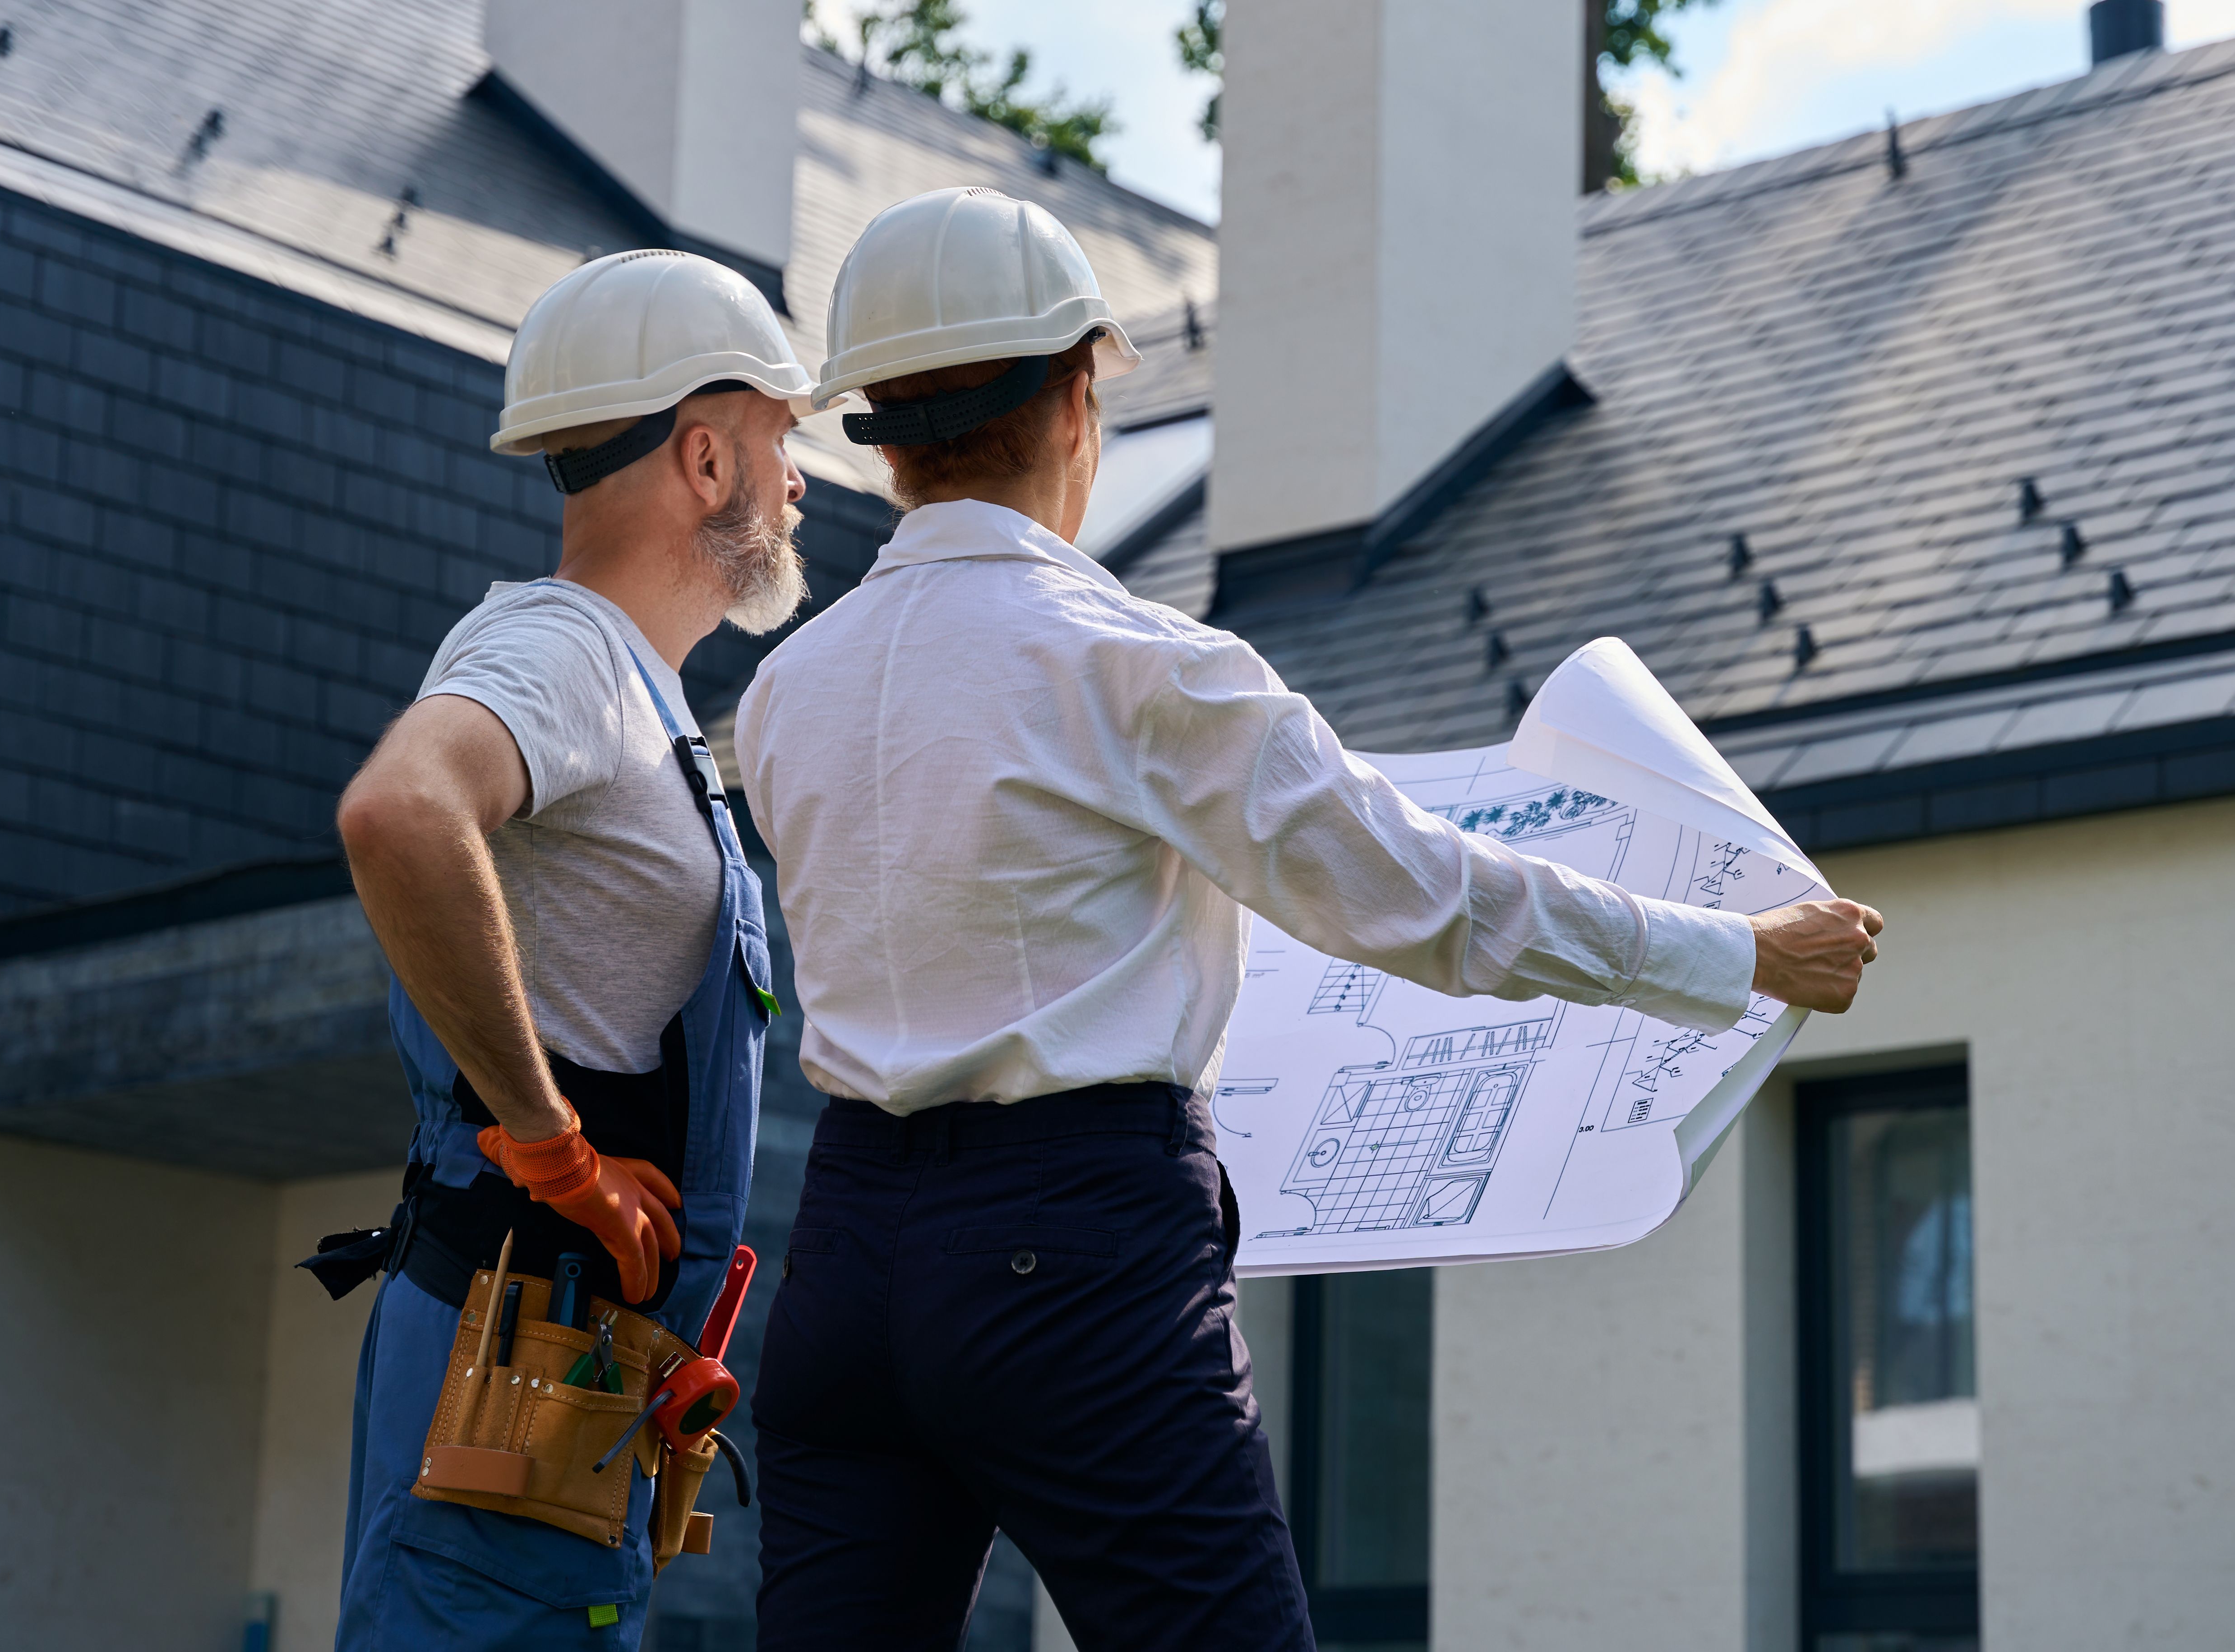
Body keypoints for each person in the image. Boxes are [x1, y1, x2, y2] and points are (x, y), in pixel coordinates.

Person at [735, 187, 1884, 1649]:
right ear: (1080, 392)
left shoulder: (783, 694)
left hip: (845, 1259)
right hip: (1072, 1256)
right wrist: (1740, 953)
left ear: (879, 429)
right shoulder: (1143, 666)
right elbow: (1432, 900)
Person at [319, 250, 814, 1649]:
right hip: (509, 1365)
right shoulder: (571, 650)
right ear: (706, 459)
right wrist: (553, 1150)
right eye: (779, 440)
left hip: (554, 1383)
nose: (798, 481)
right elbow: (401, 810)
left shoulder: (640, 698)